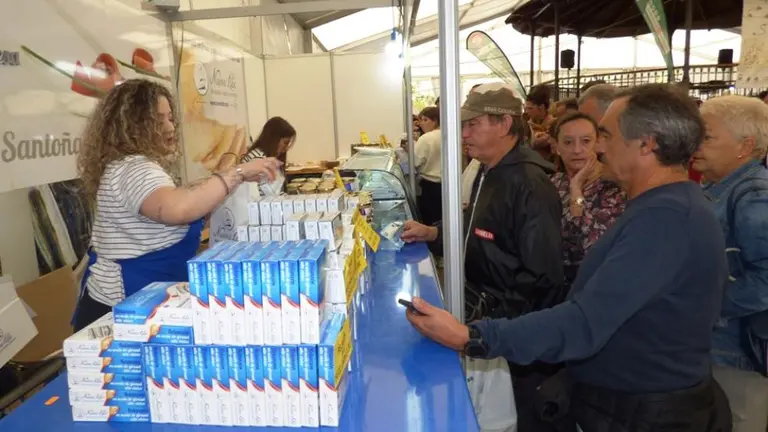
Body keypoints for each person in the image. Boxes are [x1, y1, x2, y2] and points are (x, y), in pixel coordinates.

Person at [406, 84, 733, 431]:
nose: (598, 148)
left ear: (647, 143)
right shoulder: (660, 209)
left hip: (645, 412)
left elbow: (584, 321)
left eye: (604, 135)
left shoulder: (667, 219)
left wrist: (471, 336)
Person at [401, 82, 566, 432]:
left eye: (473, 124)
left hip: (512, 336)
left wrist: (495, 330)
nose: (464, 134)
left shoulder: (529, 184)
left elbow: (543, 276)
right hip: (487, 320)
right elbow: (477, 225)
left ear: (505, 124)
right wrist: (434, 232)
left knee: (521, 416)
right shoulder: (487, 171)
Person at [73, 79, 281, 331]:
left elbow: (172, 208)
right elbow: (179, 209)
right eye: (158, 120)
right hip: (122, 310)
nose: (170, 126)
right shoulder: (134, 170)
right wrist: (236, 173)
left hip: (145, 301)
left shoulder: (130, 166)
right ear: (134, 126)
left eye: (170, 118)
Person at [695, 95, 768, 431]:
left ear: (745, 146)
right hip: (718, 351)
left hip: (738, 357)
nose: (697, 144)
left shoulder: (753, 195)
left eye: (707, 137)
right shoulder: (720, 189)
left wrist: (704, 305)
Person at [551, 112, 625, 287]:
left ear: (598, 144)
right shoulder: (552, 183)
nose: (577, 150)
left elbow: (593, 248)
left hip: (594, 284)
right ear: (557, 147)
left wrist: (576, 191)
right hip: (552, 285)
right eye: (568, 142)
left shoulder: (614, 188)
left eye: (585, 141)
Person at [414, 106, 442, 226]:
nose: (421, 124)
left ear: (435, 121)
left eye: (425, 120)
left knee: (430, 223)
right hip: (448, 187)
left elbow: (415, 162)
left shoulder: (426, 138)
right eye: (421, 120)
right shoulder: (451, 135)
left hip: (430, 187)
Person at [526, 86, 557, 161]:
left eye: (530, 108)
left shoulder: (555, 125)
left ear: (541, 107)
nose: (526, 112)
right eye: (526, 108)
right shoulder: (525, 126)